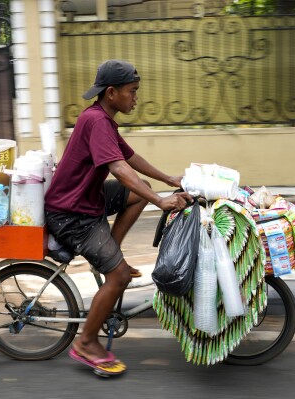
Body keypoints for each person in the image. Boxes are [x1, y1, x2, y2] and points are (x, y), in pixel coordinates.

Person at [44, 59, 192, 376]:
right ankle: (85, 342)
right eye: (132, 91)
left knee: (141, 191)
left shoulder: (103, 120)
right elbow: (120, 169)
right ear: (112, 93)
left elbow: (129, 157)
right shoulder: (97, 122)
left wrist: (169, 181)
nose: (136, 97)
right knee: (120, 277)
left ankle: (109, 252)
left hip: (86, 201)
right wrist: (161, 202)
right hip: (71, 215)